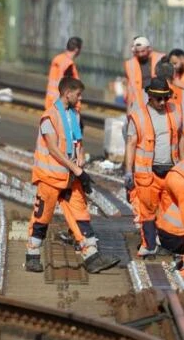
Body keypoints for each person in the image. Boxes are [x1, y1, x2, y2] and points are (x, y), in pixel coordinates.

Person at [26, 76, 119, 274]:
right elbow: (53, 149)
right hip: (50, 177)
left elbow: (76, 143)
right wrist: (77, 170)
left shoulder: (74, 116)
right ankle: (32, 255)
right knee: (42, 217)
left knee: (81, 215)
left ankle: (92, 256)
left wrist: (80, 164)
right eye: (78, 94)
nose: (80, 98)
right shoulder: (49, 117)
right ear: (67, 93)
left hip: (69, 178)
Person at [124, 77, 184, 257]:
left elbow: (181, 137)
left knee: (169, 211)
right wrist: (129, 171)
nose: (162, 102)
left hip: (171, 172)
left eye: (166, 98)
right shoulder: (138, 116)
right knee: (148, 211)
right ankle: (149, 244)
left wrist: (183, 163)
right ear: (150, 96)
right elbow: (130, 143)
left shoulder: (174, 112)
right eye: (159, 99)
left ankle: (166, 243)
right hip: (148, 173)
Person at [124, 36, 164, 110]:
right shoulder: (130, 64)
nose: (140, 54)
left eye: (143, 51)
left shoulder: (160, 59)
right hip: (138, 101)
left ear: (149, 49)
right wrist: (129, 107)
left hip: (157, 99)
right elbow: (129, 86)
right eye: (138, 52)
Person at [45, 37, 82, 110]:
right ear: (77, 49)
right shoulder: (69, 64)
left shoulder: (58, 58)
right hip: (60, 106)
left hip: (50, 101)